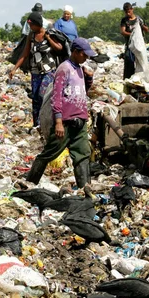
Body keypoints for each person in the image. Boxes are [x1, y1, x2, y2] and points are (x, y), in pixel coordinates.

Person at [26, 38, 97, 188]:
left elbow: (84, 91)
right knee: (50, 152)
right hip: (65, 121)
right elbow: (56, 96)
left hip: (80, 119)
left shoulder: (80, 69)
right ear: (76, 52)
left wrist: (89, 77)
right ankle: (29, 183)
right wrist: (58, 121)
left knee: (82, 155)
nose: (87, 58)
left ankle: (85, 190)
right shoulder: (64, 69)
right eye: (85, 54)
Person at [10, 11, 64, 127]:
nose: (30, 27)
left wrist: (48, 39)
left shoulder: (49, 33)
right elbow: (25, 54)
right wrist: (14, 69)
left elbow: (59, 48)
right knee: (35, 98)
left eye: (32, 25)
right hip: (35, 72)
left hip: (49, 71)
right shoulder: (31, 36)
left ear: (38, 24)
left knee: (43, 94)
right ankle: (37, 125)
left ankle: (49, 121)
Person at [120, 2, 149, 79]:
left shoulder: (139, 19)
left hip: (139, 45)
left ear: (132, 9)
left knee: (141, 62)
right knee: (129, 63)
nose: (128, 14)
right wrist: (132, 35)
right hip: (129, 46)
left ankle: (141, 79)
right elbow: (123, 32)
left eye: (129, 11)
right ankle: (128, 80)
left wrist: (142, 26)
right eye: (126, 12)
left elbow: (147, 30)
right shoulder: (124, 20)